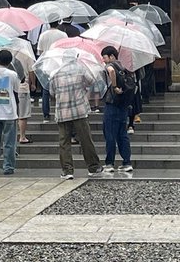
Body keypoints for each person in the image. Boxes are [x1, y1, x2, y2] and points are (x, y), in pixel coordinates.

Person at [50, 59, 103, 181]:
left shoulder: (55, 73)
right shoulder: (80, 69)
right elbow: (91, 82)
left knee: (64, 142)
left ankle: (67, 170)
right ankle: (93, 167)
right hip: (79, 110)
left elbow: (52, 92)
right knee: (86, 139)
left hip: (62, 112)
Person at [100, 46, 134, 174]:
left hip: (112, 104)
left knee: (110, 134)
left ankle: (109, 163)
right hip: (123, 105)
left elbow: (111, 71)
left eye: (104, 57)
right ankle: (127, 162)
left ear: (111, 56)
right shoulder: (124, 68)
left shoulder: (111, 66)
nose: (103, 60)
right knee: (122, 134)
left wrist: (114, 87)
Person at [36, 14, 65, 121]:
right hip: (59, 65)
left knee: (46, 90)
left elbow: (39, 52)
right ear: (58, 22)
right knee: (60, 90)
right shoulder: (63, 35)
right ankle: (61, 112)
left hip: (46, 65)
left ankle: (46, 114)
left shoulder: (43, 35)